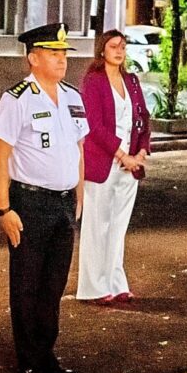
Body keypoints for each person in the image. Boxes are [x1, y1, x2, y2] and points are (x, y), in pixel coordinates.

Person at [0, 22, 88, 373]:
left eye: (63, 54)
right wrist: (4, 209)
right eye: (53, 54)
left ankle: (47, 356)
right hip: (29, 203)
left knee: (53, 286)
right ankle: (30, 361)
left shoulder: (73, 97)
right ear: (33, 59)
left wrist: (79, 194)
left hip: (63, 204)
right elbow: (0, 156)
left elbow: (78, 150)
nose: (61, 60)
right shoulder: (17, 99)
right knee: (27, 285)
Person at [76, 29, 150, 305]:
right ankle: (94, 287)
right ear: (102, 50)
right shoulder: (93, 81)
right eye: (113, 46)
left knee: (119, 226)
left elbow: (143, 116)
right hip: (105, 162)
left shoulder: (131, 80)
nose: (119, 51)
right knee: (97, 225)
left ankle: (116, 282)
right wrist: (122, 155)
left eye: (123, 46)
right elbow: (94, 125)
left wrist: (141, 150)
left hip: (130, 164)